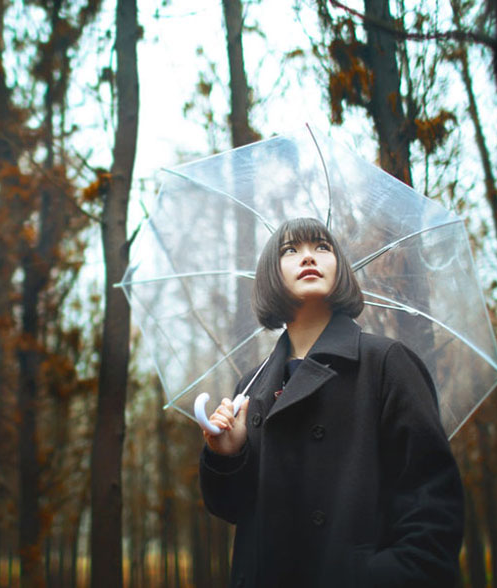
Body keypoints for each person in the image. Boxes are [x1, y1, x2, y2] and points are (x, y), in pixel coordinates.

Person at [199, 217, 464, 587]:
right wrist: (227, 456)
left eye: (322, 247)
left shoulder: (385, 362)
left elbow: (432, 506)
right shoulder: (252, 385)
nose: (308, 257)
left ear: (340, 267)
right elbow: (232, 509)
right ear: (269, 275)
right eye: (290, 250)